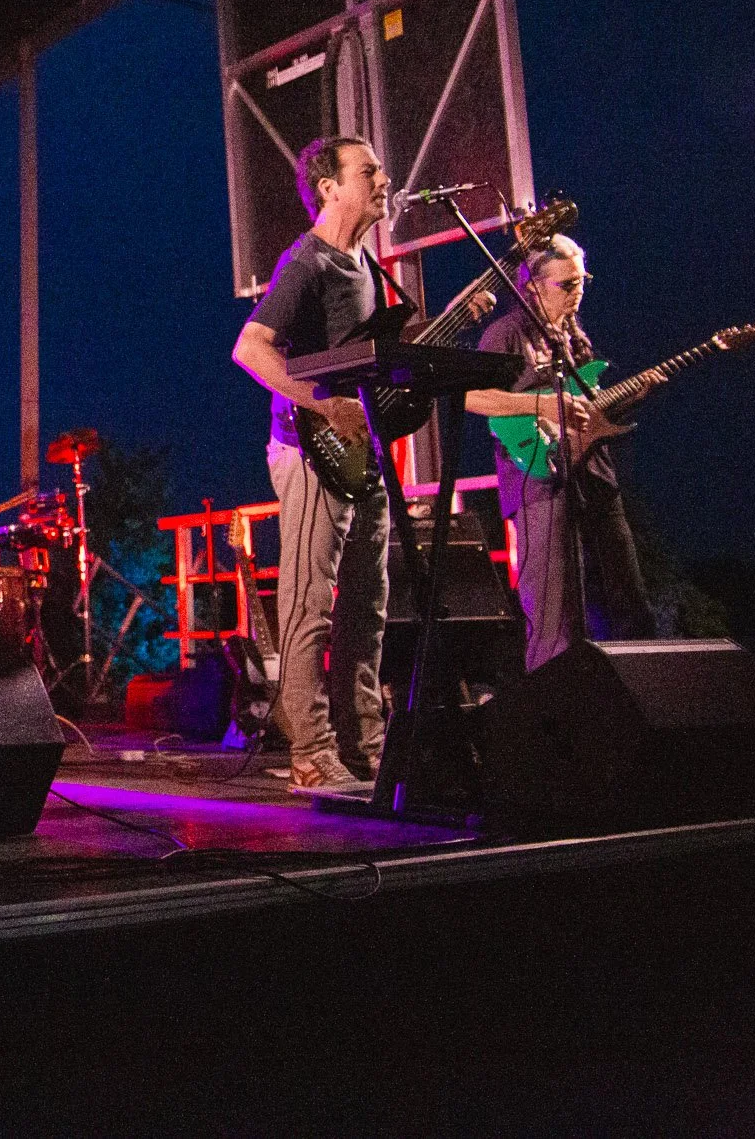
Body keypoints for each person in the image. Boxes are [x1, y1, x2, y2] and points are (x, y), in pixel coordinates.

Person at [230, 136, 492, 794]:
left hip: (364, 452)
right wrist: (324, 404)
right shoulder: (308, 260)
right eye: (369, 170)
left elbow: (375, 358)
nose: (384, 178)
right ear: (329, 188)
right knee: (309, 606)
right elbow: (251, 349)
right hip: (310, 450)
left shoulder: (367, 266)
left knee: (366, 608)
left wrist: (455, 320)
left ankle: (365, 747)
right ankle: (311, 753)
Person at [465, 234, 655, 672]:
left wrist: (622, 401)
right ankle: (552, 705)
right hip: (537, 476)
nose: (578, 292)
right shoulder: (506, 333)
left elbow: (584, 407)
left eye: (582, 281)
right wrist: (542, 406)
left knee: (629, 598)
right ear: (532, 287)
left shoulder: (572, 337)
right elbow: (472, 397)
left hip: (594, 473)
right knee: (554, 616)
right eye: (567, 284)